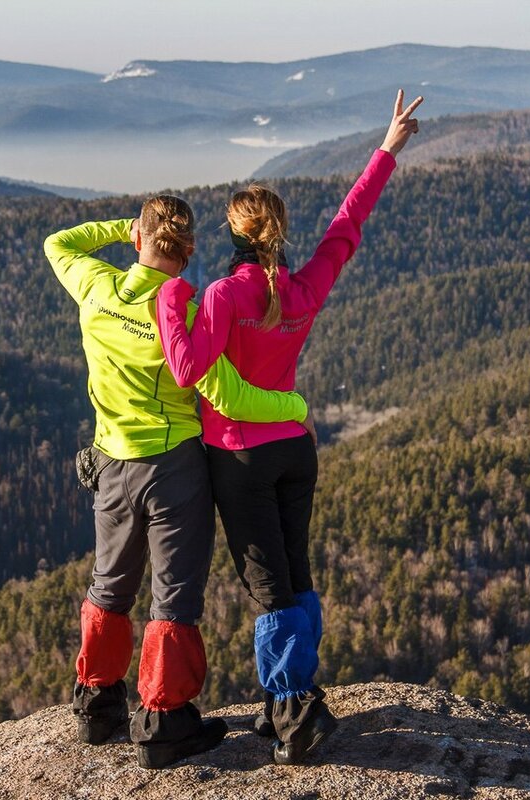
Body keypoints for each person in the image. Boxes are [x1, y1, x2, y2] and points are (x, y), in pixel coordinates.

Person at [154, 89, 424, 765]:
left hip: (238, 457)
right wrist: (386, 150)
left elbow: (187, 371)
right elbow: (346, 227)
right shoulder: (301, 291)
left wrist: (166, 298)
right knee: (295, 574)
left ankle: (294, 710)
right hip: (294, 454)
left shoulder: (221, 295)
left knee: (268, 586)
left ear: (236, 234)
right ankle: (295, 699)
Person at [43, 195, 312, 769]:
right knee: (174, 597)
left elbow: (58, 243)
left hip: (112, 463)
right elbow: (228, 395)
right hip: (175, 471)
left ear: (139, 240)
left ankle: (97, 704)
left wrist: (130, 230)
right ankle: (165, 722)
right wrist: (292, 405)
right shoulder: (185, 318)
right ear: (190, 253)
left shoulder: (95, 286)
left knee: (108, 584)